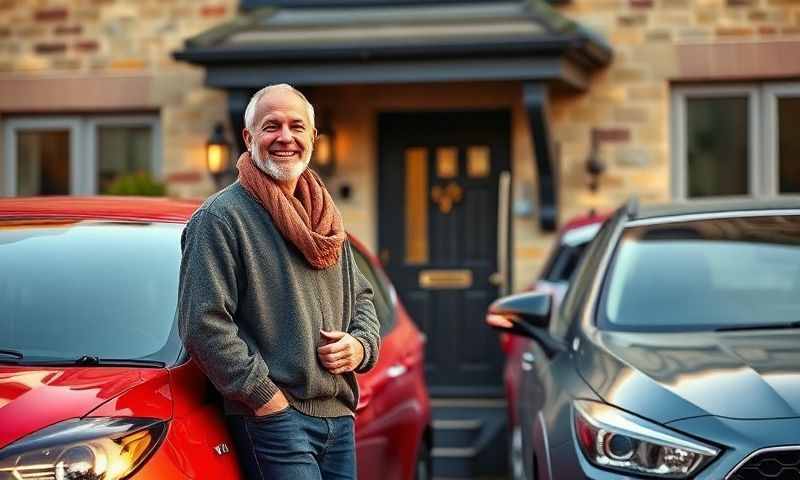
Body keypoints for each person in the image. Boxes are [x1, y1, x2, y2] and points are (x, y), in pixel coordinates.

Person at [177, 83, 380, 480]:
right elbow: (202, 323)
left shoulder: (325, 215)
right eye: (272, 126)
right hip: (274, 420)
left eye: (296, 126)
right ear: (249, 138)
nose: (285, 137)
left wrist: (361, 346)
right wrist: (264, 398)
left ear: (313, 139)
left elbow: (364, 299)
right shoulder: (221, 219)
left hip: (338, 417)